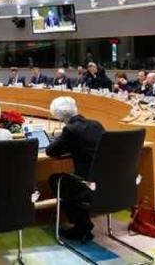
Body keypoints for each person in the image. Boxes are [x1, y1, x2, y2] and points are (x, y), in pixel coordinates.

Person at [46, 96, 105, 243]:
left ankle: (82, 226)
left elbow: (51, 151)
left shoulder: (71, 130)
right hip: (105, 181)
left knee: (56, 180)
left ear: (59, 117)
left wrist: (60, 138)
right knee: (71, 180)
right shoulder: (96, 125)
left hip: (87, 183)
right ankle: (83, 223)